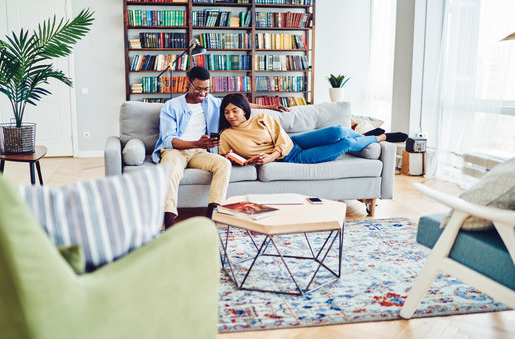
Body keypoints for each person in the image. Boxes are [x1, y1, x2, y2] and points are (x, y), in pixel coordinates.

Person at [152, 67, 289, 228]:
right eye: (198, 89)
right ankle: (168, 222)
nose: (203, 93)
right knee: (170, 168)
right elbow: (168, 139)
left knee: (223, 163)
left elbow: (240, 104)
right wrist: (197, 143)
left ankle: (213, 216)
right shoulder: (171, 106)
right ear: (188, 84)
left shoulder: (211, 102)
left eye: (206, 89)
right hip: (175, 151)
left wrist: (270, 107)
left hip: (200, 152)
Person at [218, 93, 408, 165]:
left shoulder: (262, 118)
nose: (231, 116)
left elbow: (283, 140)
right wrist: (233, 160)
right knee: (346, 144)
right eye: (226, 113)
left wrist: (270, 156)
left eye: (235, 111)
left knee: (338, 131)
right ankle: (381, 137)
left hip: (295, 143)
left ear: (245, 110)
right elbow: (229, 157)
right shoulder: (226, 136)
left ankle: (362, 135)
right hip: (293, 158)